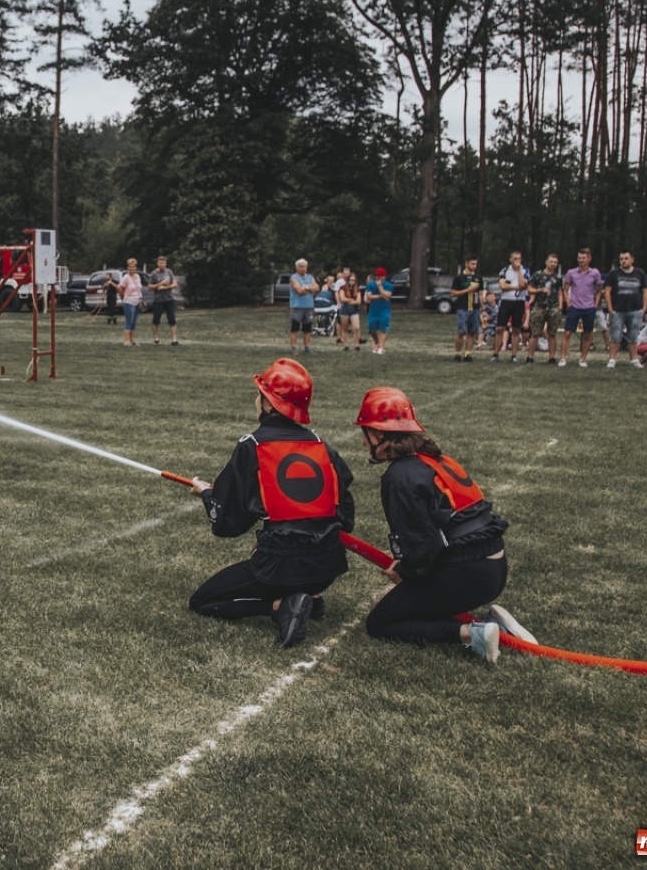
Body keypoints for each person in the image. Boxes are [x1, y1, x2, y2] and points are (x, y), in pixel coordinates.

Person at [185, 358, 355, 648]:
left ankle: (281, 606)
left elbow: (228, 521)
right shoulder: (320, 443)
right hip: (328, 563)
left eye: (259, 395)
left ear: (267, 404)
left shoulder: (252, 444)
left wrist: (205, 493)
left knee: (202, 602)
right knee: (295, 569)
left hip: (280, 565)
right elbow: (345, 514)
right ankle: (312, 595)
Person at [354, 387, 510, 663]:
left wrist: (406, 571)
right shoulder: (435, 459)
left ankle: (472, 633)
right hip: (493, 566)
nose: (364, 443)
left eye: (365, 433)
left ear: (380, 434)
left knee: (380, 623)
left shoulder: (400, 476)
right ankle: (500, 626)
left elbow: (422, 546)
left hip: (468, 574)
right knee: (416, 602)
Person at [559, 247, 607, 367]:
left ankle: (582, 359)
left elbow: (598, 291)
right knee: (567, 333)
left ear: (589, 259)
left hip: (589, 307)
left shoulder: (595, 273)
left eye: (584, 258)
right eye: (579, 258)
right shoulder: (571, 273)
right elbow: (565, 289)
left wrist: (595, 305)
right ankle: (563, 358)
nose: (581, 260)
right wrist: (568, 303)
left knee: (587, 334)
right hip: (574, 306)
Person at [603, 250, 647, 368]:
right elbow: (607, 291)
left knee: (633, 335)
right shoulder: (614, 273)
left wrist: (644, 308)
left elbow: (645, 291)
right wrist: (610, 309)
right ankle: (612, 359)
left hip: (635, 310)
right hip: (617, 310)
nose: (623, 261)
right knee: (616, 335)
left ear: (632, 260)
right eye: (621, 259)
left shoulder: (640, 273)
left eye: (626, 258)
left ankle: (634, 359)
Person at [492, 251, 529, 361]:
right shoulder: (504, 270)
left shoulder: (525, 270)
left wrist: (518, 272)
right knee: (500, 328)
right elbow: (503, 285)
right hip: (506, 301)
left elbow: (524, 284)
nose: (517, 261)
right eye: (515, 259)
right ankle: (495, 354)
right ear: (510, 259)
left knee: (516, 329)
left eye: (519, 258)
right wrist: (516, 288)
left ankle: (513, 355)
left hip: (519, 302)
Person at [525, 254, 562, 364]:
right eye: (551, 261)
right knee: (535, 333)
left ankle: (551, 357)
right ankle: (530, 357)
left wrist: (560, 306)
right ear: (546, 262)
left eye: (555, 262)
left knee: (552, 334)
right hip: (539, 306)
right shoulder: (537, 275)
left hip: (553, 307)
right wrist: (540, 290)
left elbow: (560, 293)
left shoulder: (558, 278)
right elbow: (529, 289)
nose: (553, 264)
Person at [450, 256, 482, 362]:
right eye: (472, 264)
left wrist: (483, 308)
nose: (474, 266)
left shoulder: (478, 278)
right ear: (466, 264)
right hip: (462, 308)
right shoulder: (459, 278)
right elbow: (453, 293)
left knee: (472, 332)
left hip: (475, 308)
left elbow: (480, 293)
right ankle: (458, 353)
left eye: (476, 264)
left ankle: (468, 354)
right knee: (461, 332)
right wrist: (468, 290)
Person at [286, 259, 317, 354]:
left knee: (307, 328)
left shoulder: (310, 277)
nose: (303, 268)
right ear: (297, 267)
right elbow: (298, 290)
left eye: (304, 266)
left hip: (309, 306)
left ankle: (307, 347)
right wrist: (310, 289)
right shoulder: (293, 278)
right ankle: (294, 347)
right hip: (297, 306)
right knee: (294, 328)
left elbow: (317, 287)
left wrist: (306, 288)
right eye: (301, 266)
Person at [149, 255, 179, 345]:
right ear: (157, 263)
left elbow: (175, 284)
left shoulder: (169, 272)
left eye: (164, 263)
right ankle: (156, 339)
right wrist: (159, 284)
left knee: (172, 320)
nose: (162, 265)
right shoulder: (154, 274)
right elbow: (150, 286)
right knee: (156, 320)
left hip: (169, 299)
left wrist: (167, 287)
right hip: (158, 300)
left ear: (166, 264)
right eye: (160, 263)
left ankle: (174, 340)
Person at [365, 267, 393, 354]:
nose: (378, 278)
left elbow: (387, 297)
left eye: (380, 276)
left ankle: (381, 346)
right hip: (373, 310)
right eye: (377, 276)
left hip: (384, 310)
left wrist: (380, 287)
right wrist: (380, 296)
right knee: (372, 329)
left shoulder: (388, 285)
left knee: (383, 329)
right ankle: (377, 342)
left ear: (384, 277)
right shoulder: (370, 284)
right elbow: (369, 297)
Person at [118, 258, 144, 347]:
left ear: (135, 267)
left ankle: (133, 340)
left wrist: (140, 298)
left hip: (137, 301)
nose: (132, 268)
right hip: (129, 301)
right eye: (130, 267)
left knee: (134, 321)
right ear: (127, 268)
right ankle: (127, 340)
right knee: (129, 320)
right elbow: (120, 289)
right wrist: (123, 297)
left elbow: (139, 288)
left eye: (133, 267)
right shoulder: (126, 277)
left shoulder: (138, 276)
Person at [335, 266, 362, 349]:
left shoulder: (357, 289)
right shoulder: (342, 288)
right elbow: (342, 298)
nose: (352, 281)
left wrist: (349, 300)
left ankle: (356, 345)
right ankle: (346, 345)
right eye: (350, 280)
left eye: (353, 280)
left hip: (354, 309)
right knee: (345, 328)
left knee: (356, 327)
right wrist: (351, 300)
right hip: (344, 309)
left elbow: (358, 301)